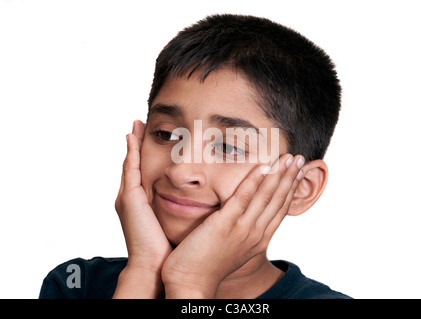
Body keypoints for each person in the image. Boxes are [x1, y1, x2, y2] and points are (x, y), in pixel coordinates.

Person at [39, 14, 350, 299]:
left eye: (228, 147)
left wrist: (189, 283)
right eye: (166, 134)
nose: (180, 170)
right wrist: (144, 273)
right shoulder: (76, 285)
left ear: (300, 188)